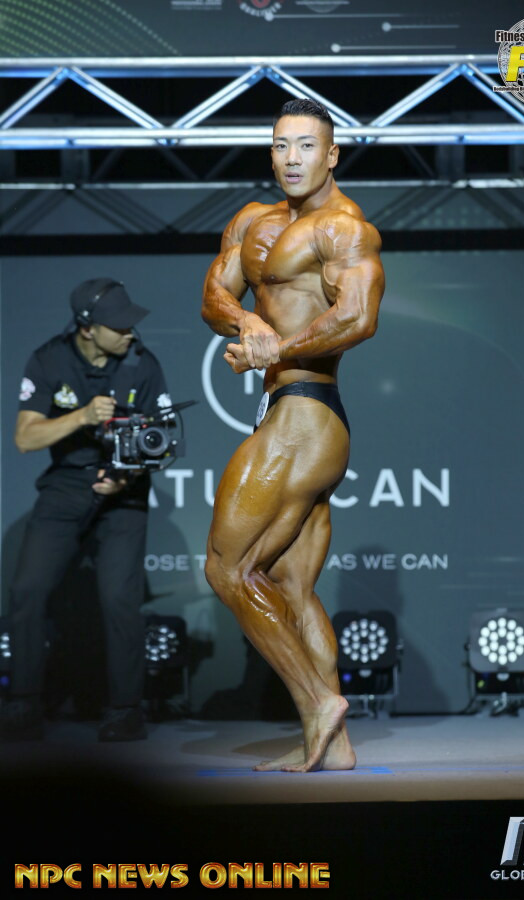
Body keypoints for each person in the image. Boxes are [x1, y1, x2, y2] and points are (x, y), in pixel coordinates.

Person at [201, 98, 384, 772]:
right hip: (291, 410)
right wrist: (246, 322)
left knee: (227, 568)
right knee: (289, 584)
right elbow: (213, 295)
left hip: (307, 412)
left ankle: (317, 702)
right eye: (281, 145)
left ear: (331, 155)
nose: (292, 158)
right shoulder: (254, 220)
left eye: (307, 146)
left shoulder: (344, 228)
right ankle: (334, 747)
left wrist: (274, 350)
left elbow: (359, 317)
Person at [0, 278, 172, 742]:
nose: (130, 333)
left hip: (125, 490)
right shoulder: (49, 360)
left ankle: (125, 710)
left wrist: (125, 477)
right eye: (119, 326)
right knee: (27, 590)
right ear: (87, 328)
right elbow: (24, 437)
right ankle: (23, 703)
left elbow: (163, 443)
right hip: (66, 486)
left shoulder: (142, 363)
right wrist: (82, 416)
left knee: (119, 598)